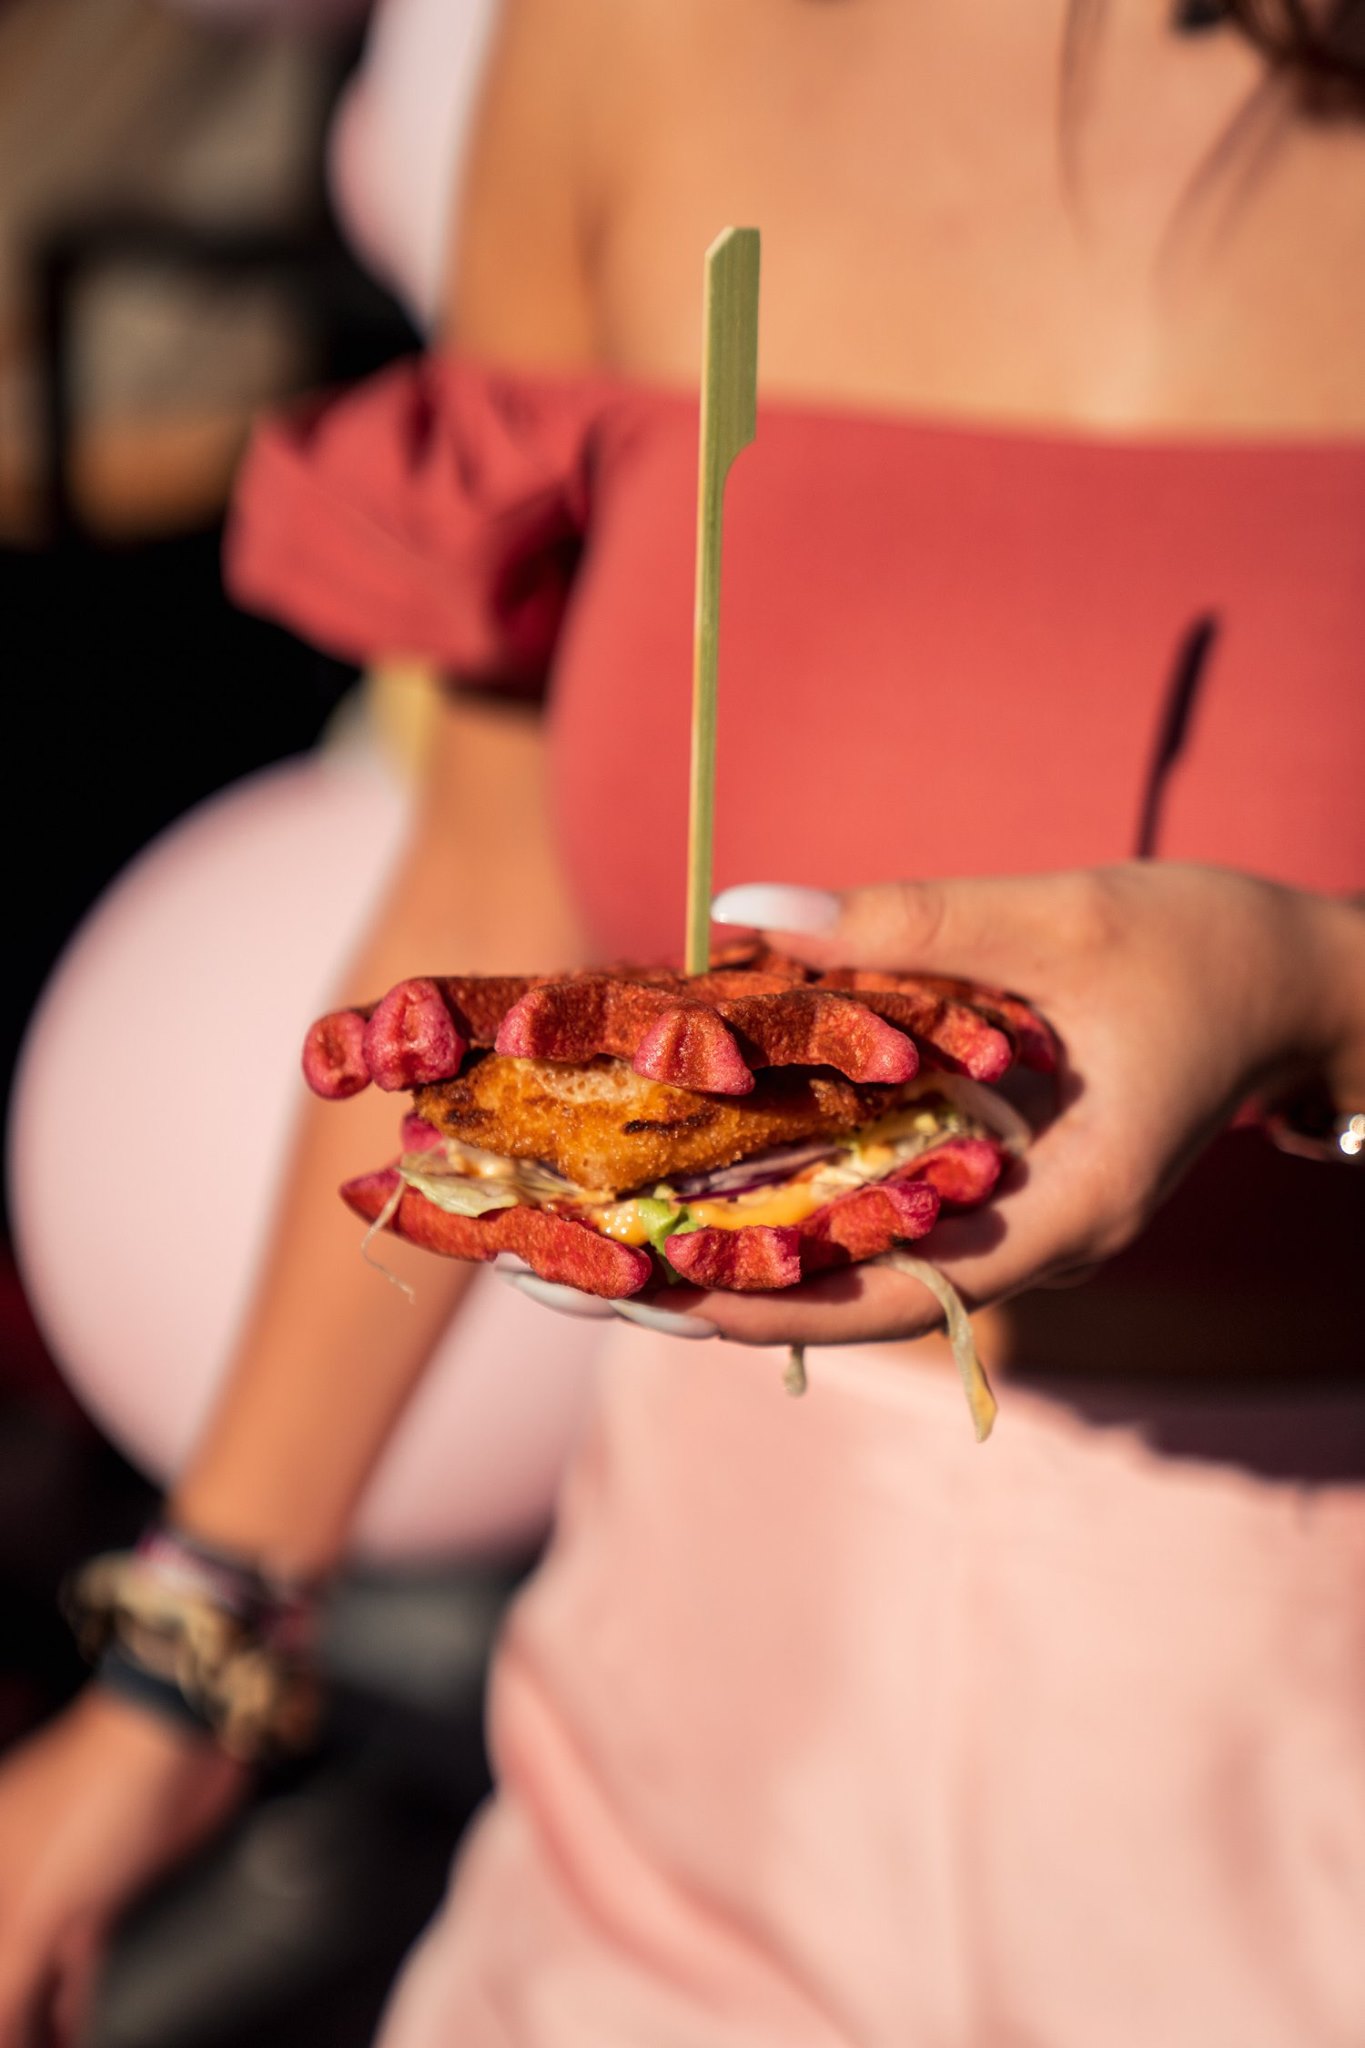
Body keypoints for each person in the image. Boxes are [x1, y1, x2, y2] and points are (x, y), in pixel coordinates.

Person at [4, 2, 1365, 2043]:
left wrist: (1312, 994)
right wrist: (193, 1642)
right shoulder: (632, 32)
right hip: (692, 1729)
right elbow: (492, 859)